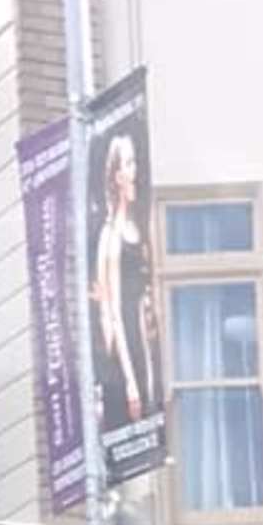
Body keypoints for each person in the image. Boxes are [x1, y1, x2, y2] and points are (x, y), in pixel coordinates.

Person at [87, 127, 161, 452]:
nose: (135, 172)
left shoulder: (138, 228)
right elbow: (114, 312)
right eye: (129, 165)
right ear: (117, 175)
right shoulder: (110, 237)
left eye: (135, 163)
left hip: (148, 337)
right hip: (130, 341)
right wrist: (130, 381)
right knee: (142, 409)